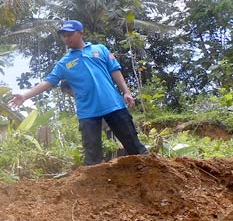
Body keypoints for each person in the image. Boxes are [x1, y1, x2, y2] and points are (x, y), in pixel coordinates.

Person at [9, 20, 147, 166]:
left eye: (70, 34)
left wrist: (126, 91)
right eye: (64, 36)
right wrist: (25, 96)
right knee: (92, 158)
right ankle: (93, 186)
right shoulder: (64, 63)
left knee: (134, 146)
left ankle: (151, 175)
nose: (67, 38)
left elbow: (115, 70)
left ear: (81, 33)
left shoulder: (100, 49)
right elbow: (48, 82)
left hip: (113, 104)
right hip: (88, 112)